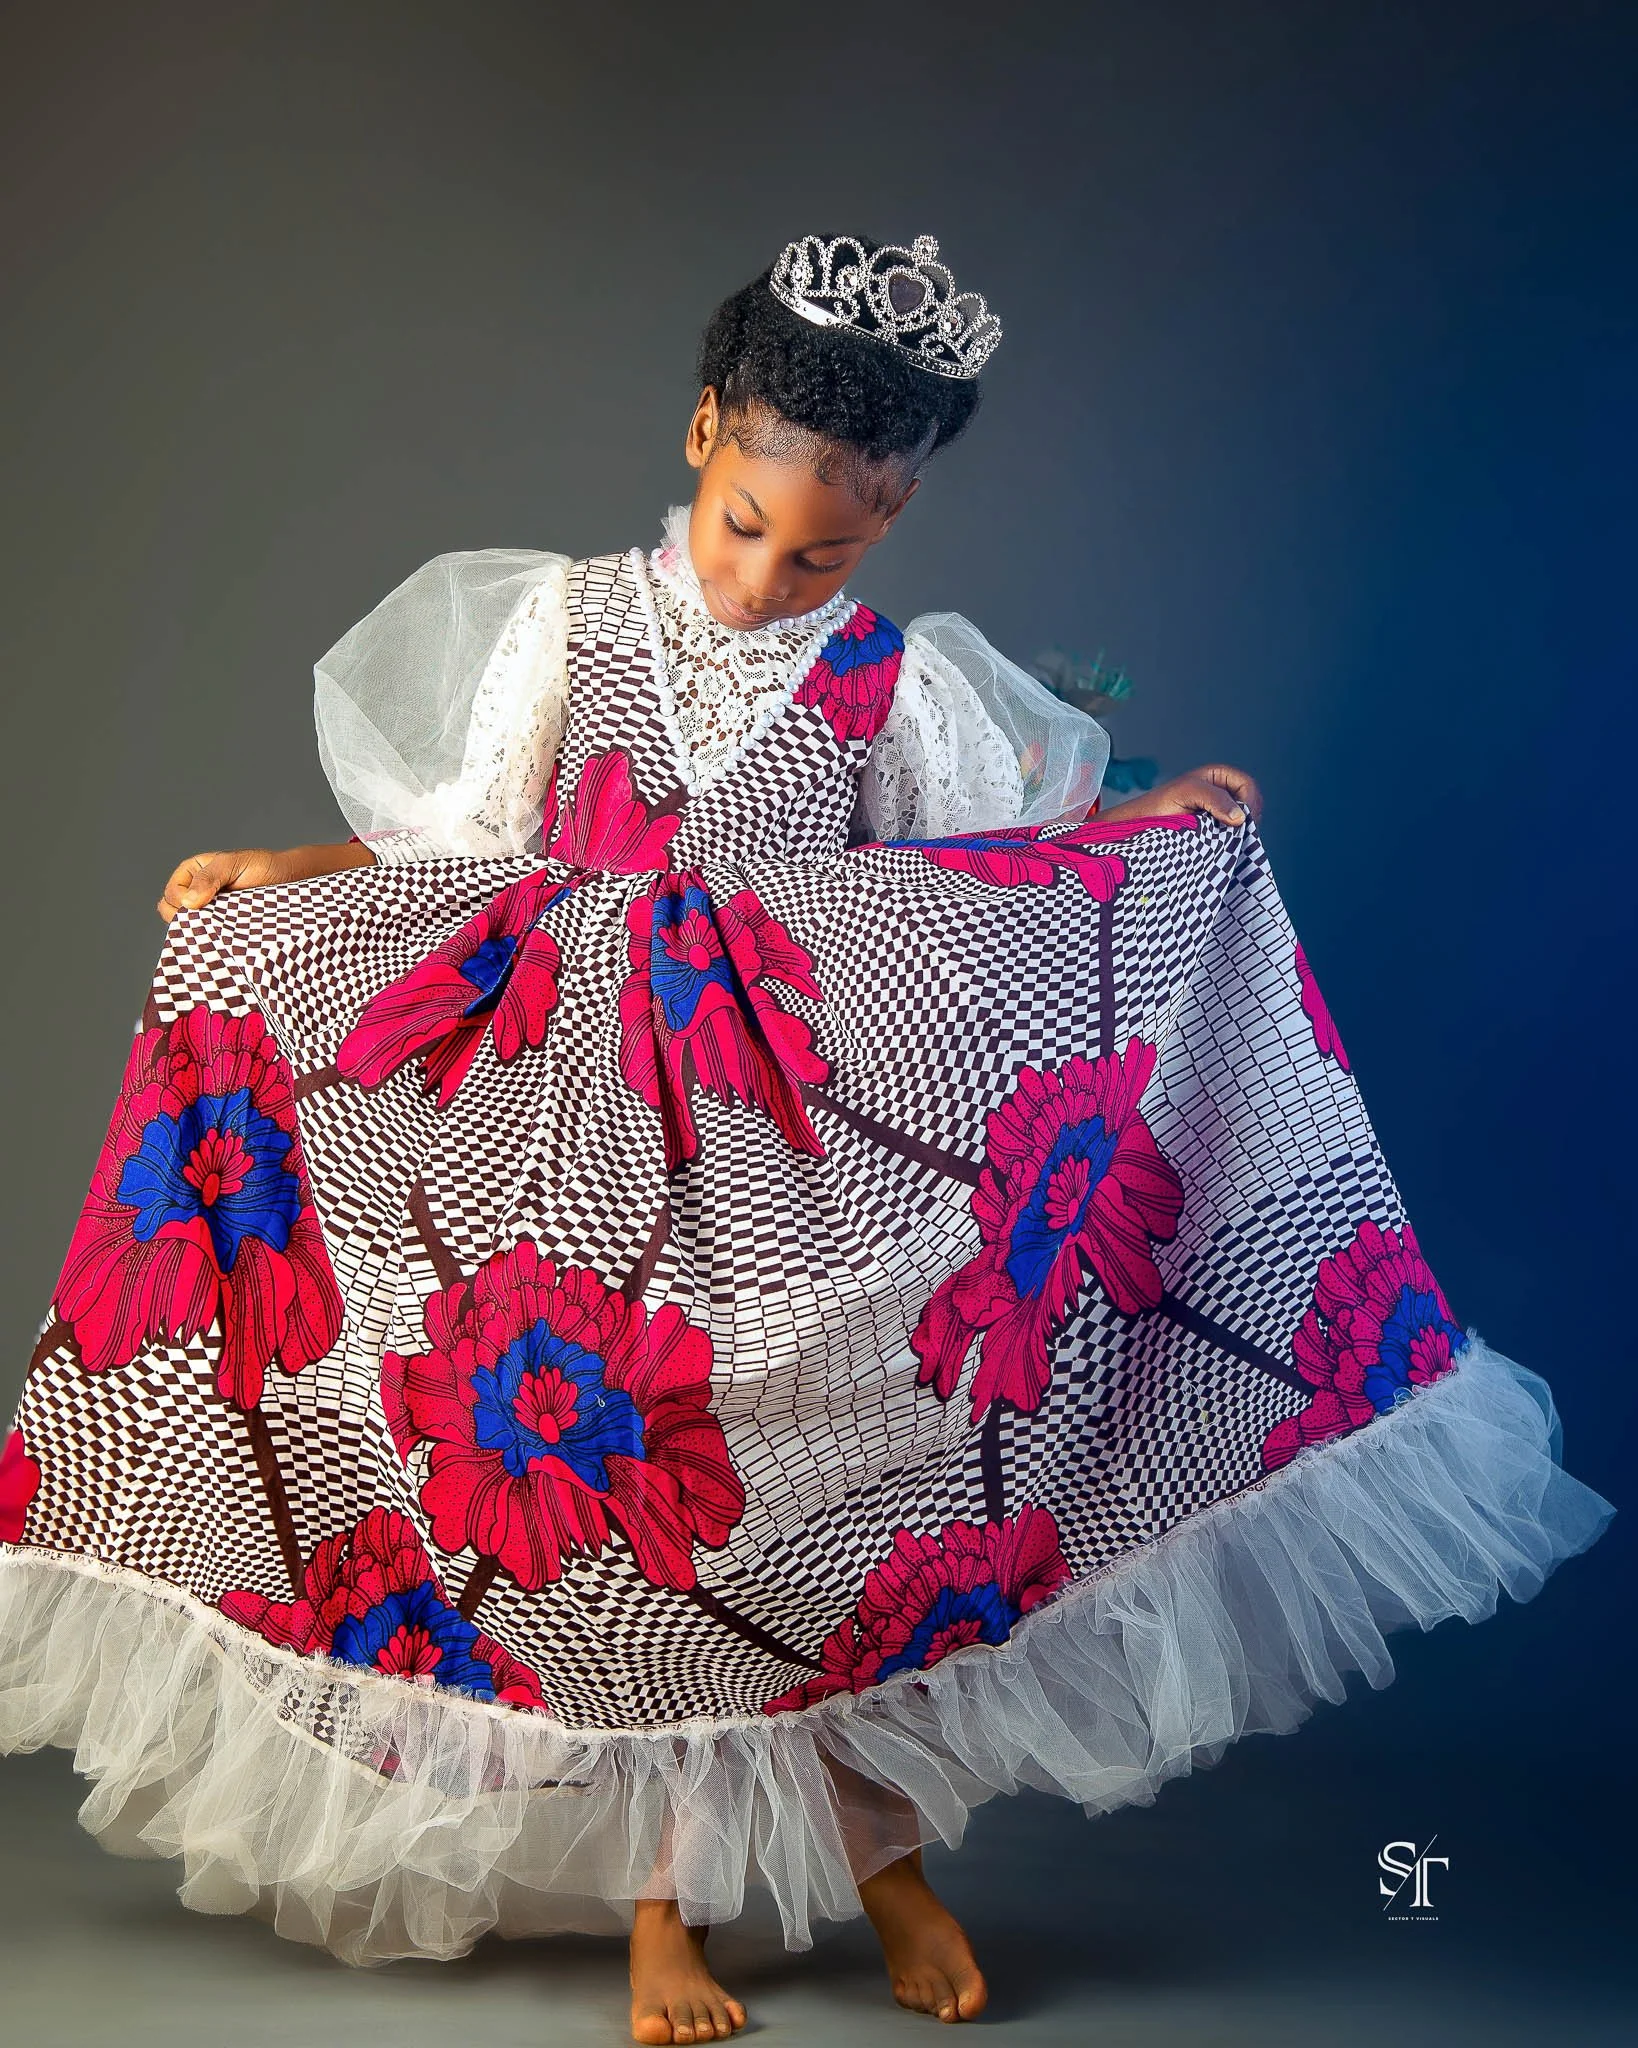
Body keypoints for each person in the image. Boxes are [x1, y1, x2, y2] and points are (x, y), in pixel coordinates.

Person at [0, 234, 1613, 2046]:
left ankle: (880, 1853)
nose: (773, 578)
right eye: (749, 525)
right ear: (702, 434)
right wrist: (292, 875)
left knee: (848, 1494)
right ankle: (659, 1905)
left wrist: (1147, 827)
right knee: (612, 1507)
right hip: (570, 1131)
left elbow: (974, 884)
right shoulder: (567, 624)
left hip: (811, 1148)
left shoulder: (890, 682)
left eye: (828, 552)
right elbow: (472, 842)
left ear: (895, 522)